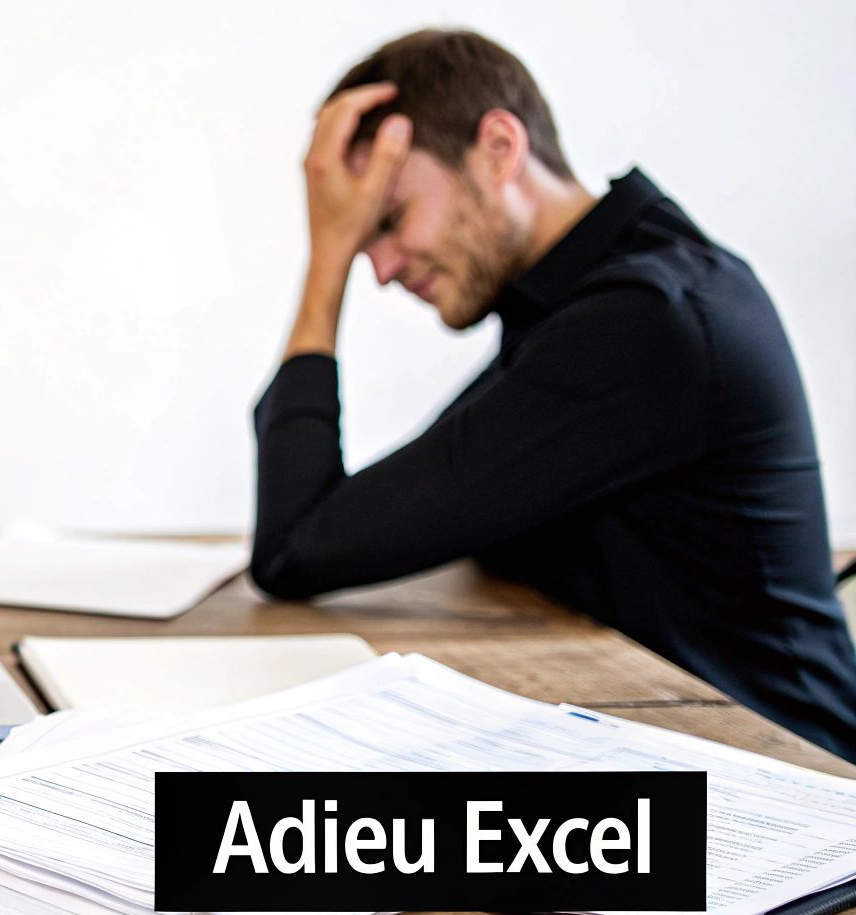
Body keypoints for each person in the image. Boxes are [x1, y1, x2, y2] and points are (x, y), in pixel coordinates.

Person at [249, 29, 856, 761]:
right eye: (355, 240)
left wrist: (325, 264)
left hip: (793, 799)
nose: (375, 266)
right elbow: (356, 524)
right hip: (668, 760)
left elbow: (296, 548)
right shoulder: (581, 302)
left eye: (387, 219)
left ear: (499, 147)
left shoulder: (644, 323)